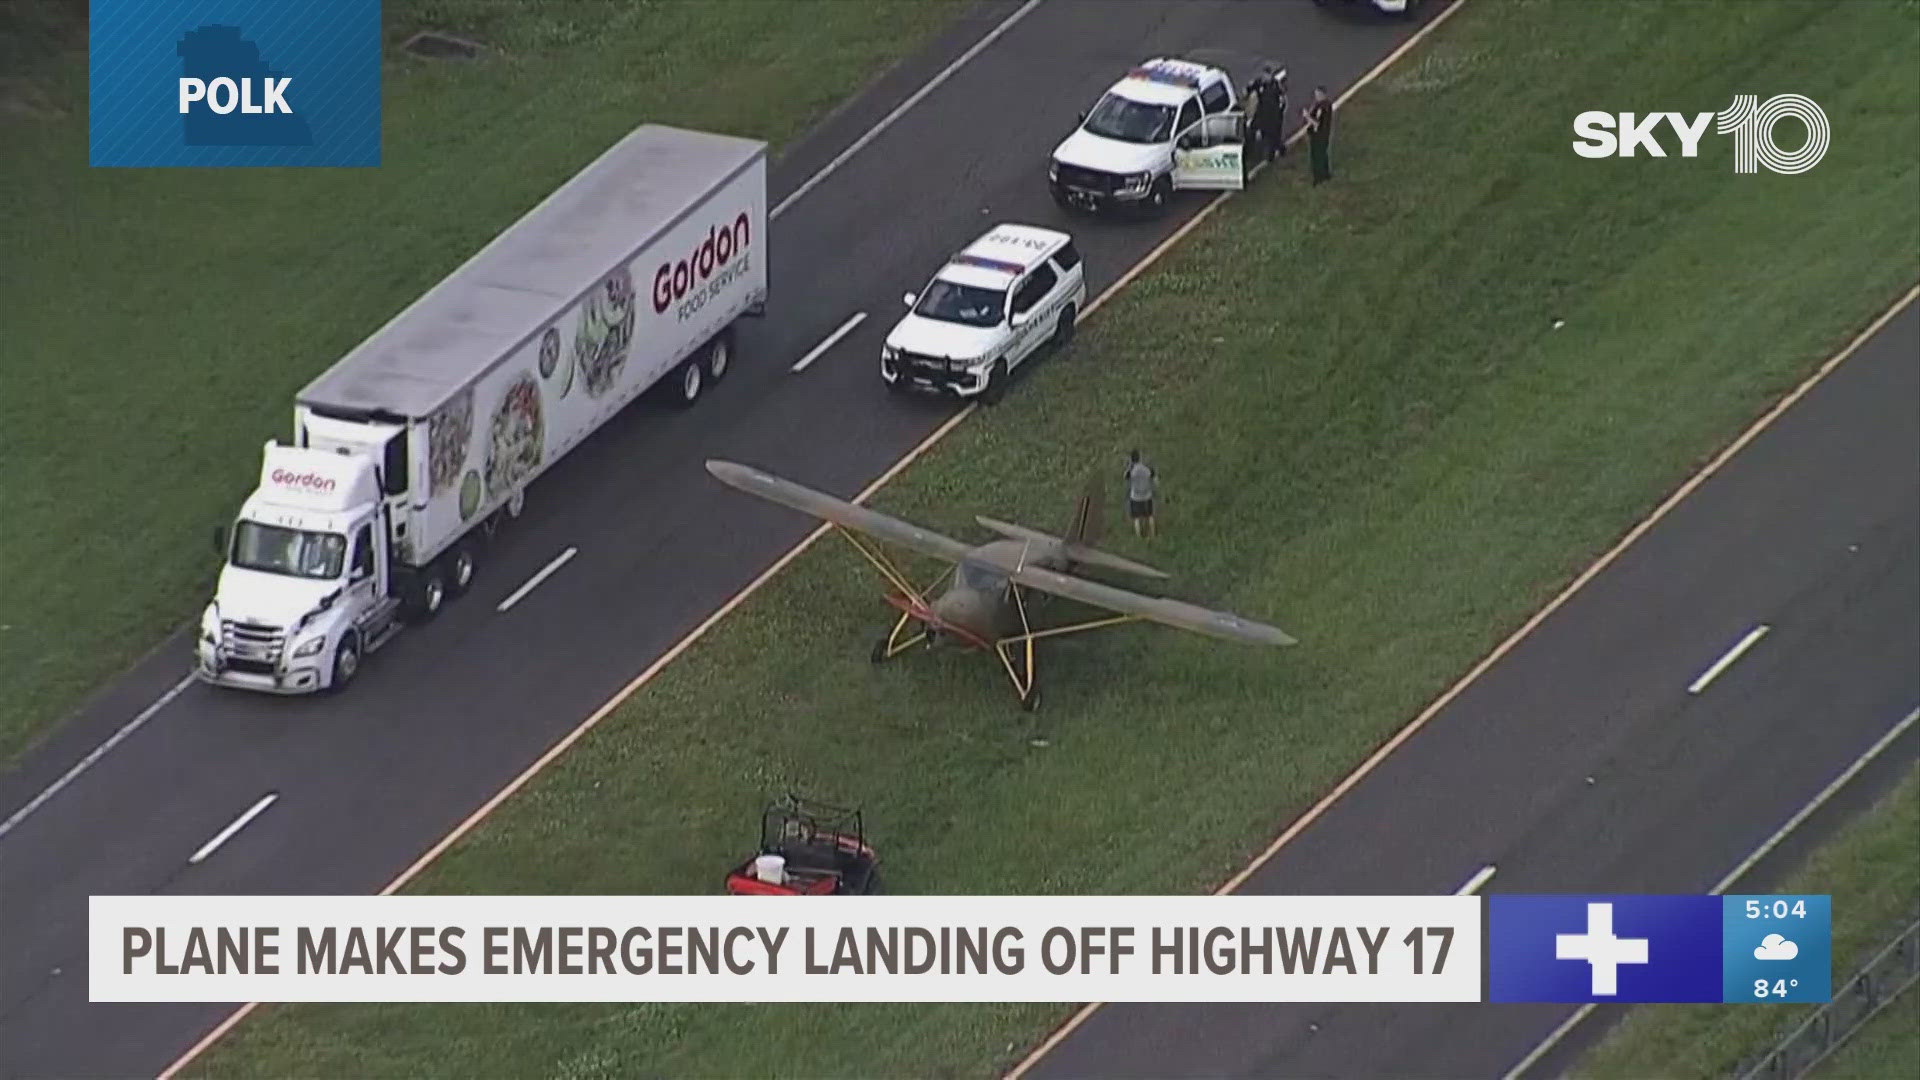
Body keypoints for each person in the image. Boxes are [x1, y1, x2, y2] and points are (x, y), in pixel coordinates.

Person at [1246, 64, 1286, 163]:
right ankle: (1249, 151)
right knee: (1252, 129)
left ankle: (1276, 152)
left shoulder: (1276, 86)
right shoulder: (1260, 83)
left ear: (1271, 76)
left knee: (1273, 136)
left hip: (1273, 114)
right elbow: (1250, 88)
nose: (1265, 77)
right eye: (1264, 75)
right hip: (1261, 112)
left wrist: (1279, 114)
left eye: (1267, 75)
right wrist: (1247, 90)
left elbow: (1282, 101)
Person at [1303, 85, 1334, 184]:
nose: (1315, 96)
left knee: (1317, 156)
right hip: (1324, 134)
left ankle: (1319, 177)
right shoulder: (1325, 105)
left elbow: (1316, 123)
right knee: (1323, 155)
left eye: (1317, 94)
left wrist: (1307, 116)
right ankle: (1326, 174)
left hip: (1319, 135)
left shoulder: (1322, 107)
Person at [1125, 450, 1156, 538]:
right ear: (1139, 458)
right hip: (1147, 495)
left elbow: (1126, 477)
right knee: (1150, 515)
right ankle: (1153, 533)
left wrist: (1129, 466)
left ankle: (1139, 536)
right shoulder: (1145, 469)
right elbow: (1152, 474)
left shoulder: (1132, 471)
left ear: (1131, 459)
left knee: (1137, 518)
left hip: (1135, 496)